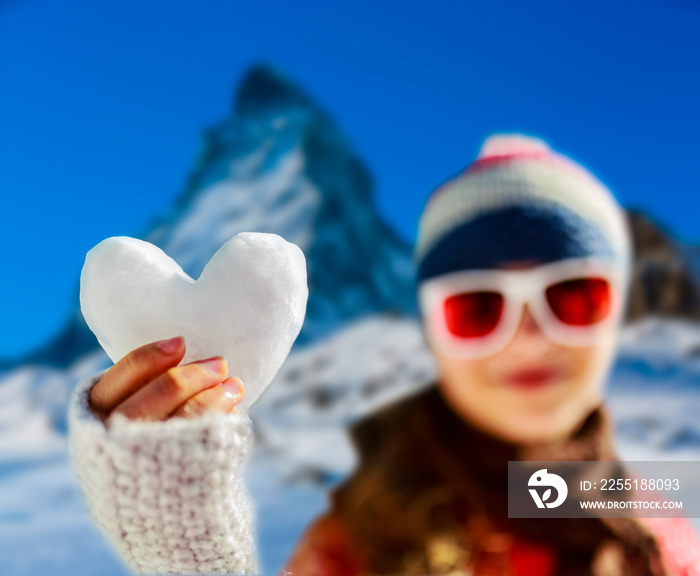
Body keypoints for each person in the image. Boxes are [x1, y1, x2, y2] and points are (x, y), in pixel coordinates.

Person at [67, 135, 700, 576]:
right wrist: (191, 555)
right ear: (432, 330)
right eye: (478, 307)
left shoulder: (659, 515)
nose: (528, 335)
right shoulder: (361, 543)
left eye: (572, 296)